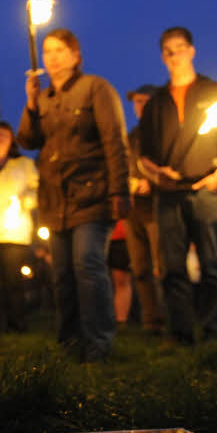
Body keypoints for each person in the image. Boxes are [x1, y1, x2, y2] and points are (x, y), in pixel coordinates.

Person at [17, 28, 130, 361]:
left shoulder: (96, 88)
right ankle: (69, 344)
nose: (51, 57)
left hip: (92, 196)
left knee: (88, 265)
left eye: (60, 50)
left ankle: (99, 344)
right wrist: (31, 103)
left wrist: (119, 191)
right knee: (62, 274)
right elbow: (27, 140)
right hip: (56, 201)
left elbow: (115, 142)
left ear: (76, 56)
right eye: (48, 51)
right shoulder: (45, 98)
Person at [138, 27, 217, 345]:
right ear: (162, 56)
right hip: (169, 195)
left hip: (206, 191)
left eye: (180, 48)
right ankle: (181, 333)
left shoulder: (216, 92)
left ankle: (215, 333)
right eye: (168, 51)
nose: (175, 56)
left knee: (212, 264)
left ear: (192, 50)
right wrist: (156, 172)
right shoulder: (156, 103)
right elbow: (145, 155)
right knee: (173, 268)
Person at [0, 121, 38, 333]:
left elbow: (37, 190)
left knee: (14, 281)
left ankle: (18, 323)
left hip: (15, 234)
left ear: (12, 139)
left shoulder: (23, 165)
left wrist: (26, 200)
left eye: (4, 134)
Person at [124, 84, 164, 334]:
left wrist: (153, 183)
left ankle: (172, 320)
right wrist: (129, 183)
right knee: (139, 268)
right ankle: (151, 323)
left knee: (163, 267)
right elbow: (122, 166)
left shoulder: (164, 133)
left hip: (158, 208)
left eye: (144, 101)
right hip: (133, 211)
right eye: (136, 102)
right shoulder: (132, 136)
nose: (139, 106)